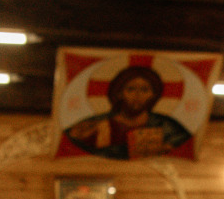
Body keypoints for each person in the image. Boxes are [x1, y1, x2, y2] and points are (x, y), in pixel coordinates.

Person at [64, 65, 192, 160]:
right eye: (131, 89)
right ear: (119, 93)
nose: (137, 95)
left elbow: (182, 141)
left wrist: (165, 147)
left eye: (144, 90)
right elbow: (72, 141)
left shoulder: (167, 126)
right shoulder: (99, 123)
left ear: (153, 95)